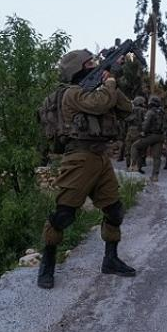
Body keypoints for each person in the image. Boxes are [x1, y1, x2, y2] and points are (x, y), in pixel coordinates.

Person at [37, 49, 136, 289]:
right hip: (79, 158)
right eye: (90, 63)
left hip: (101, 157)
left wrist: (112, 81)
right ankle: (47, 265)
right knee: (63, 215)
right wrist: (109, 82)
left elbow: (126, 109)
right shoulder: (72, 93)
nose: (95, 65)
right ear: (77, 69)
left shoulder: (99, 90)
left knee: (115, 211)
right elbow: (100, 105)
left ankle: (110, 260)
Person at [130, 95, 166, 182]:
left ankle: (133, 166)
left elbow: (146, 125)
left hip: (151, 136)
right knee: (157, 157)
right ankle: (155, 176)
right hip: (160, 136)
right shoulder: (162, 112)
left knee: (135, 146)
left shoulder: (150, 112)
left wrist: (143, 132)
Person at [123, 96, 146, 169]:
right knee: (138, 150)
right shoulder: (143, 110)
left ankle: (128, 165)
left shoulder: (130, 110)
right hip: (139, 131)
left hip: (130, 131)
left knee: (128, 149)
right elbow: (145, 122)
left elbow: (125, 120)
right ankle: (138, 167)